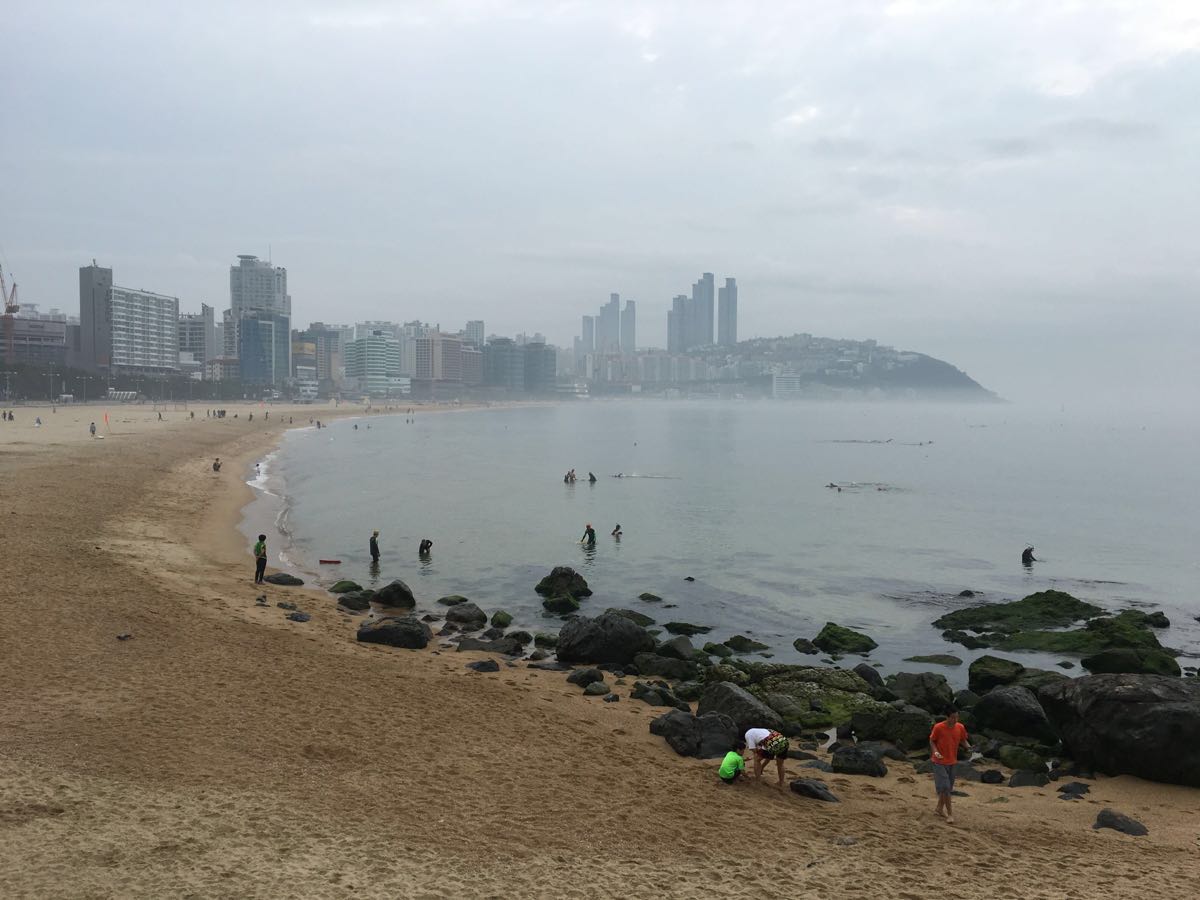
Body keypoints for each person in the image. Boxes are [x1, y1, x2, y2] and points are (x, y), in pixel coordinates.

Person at [929, 708, 971, 825]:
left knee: (946, 788)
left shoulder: (960, 727)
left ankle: (938, 809)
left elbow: (963, 740)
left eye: (957, 717)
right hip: (939, 762)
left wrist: (969, 747)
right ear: (947, 717)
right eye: (952, 717)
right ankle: (950, 814)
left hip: (952, 762)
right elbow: (932, 741)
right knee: (946, 788)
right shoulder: (938, 727)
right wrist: (935, 752)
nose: (955, 720)